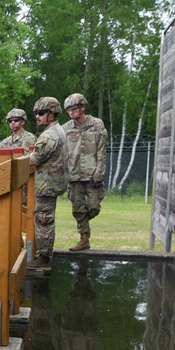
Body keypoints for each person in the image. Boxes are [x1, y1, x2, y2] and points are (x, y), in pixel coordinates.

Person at [61, 93, 108, 251]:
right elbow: (62, 153)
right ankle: (84, 239)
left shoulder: (96, 125)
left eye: (74, 109)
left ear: (82, 107)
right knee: (77, 209)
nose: (71, 112)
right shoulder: (65, 128)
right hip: (73, 176)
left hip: (92, 174)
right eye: (68, 110)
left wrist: (99, 173)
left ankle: (83, 221)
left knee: (93, 207)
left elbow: (102, 151)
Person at [28, 97, 68, 270]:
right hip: (51, 182)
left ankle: (44, 258)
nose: (38, 116)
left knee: (44, 220)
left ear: (51, 114)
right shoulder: (57, 130)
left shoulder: (50, 135)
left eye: (41, 113)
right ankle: (43, 254)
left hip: (47, 184)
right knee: (45, 218)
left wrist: (22, 157)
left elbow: (35, 158)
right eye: (36, 113)